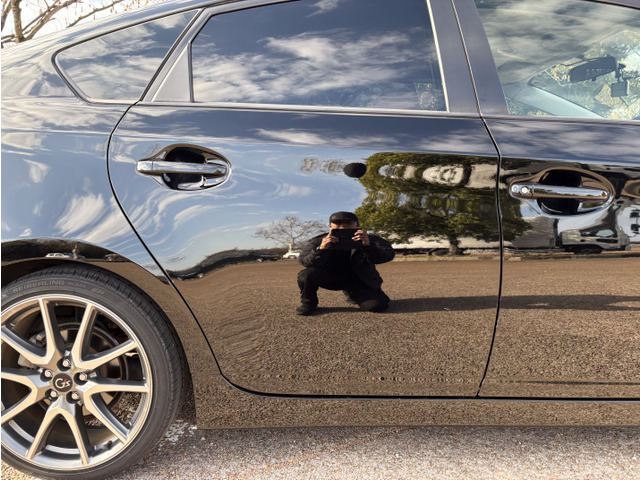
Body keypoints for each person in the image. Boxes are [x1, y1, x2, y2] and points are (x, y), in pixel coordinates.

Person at [295, 211, 395, 316]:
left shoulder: (371, 239)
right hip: (331, 278)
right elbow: (304, 261)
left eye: (348, 223)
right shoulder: (318, 241)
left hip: (360, 279)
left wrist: (368, 246)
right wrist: (321, 249)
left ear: (357, 225)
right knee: (306, 274)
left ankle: (353, 293)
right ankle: (309, 304)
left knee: (377, 305)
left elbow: (387, 256)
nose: (343, 226)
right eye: (337, 223)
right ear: (330, 226)